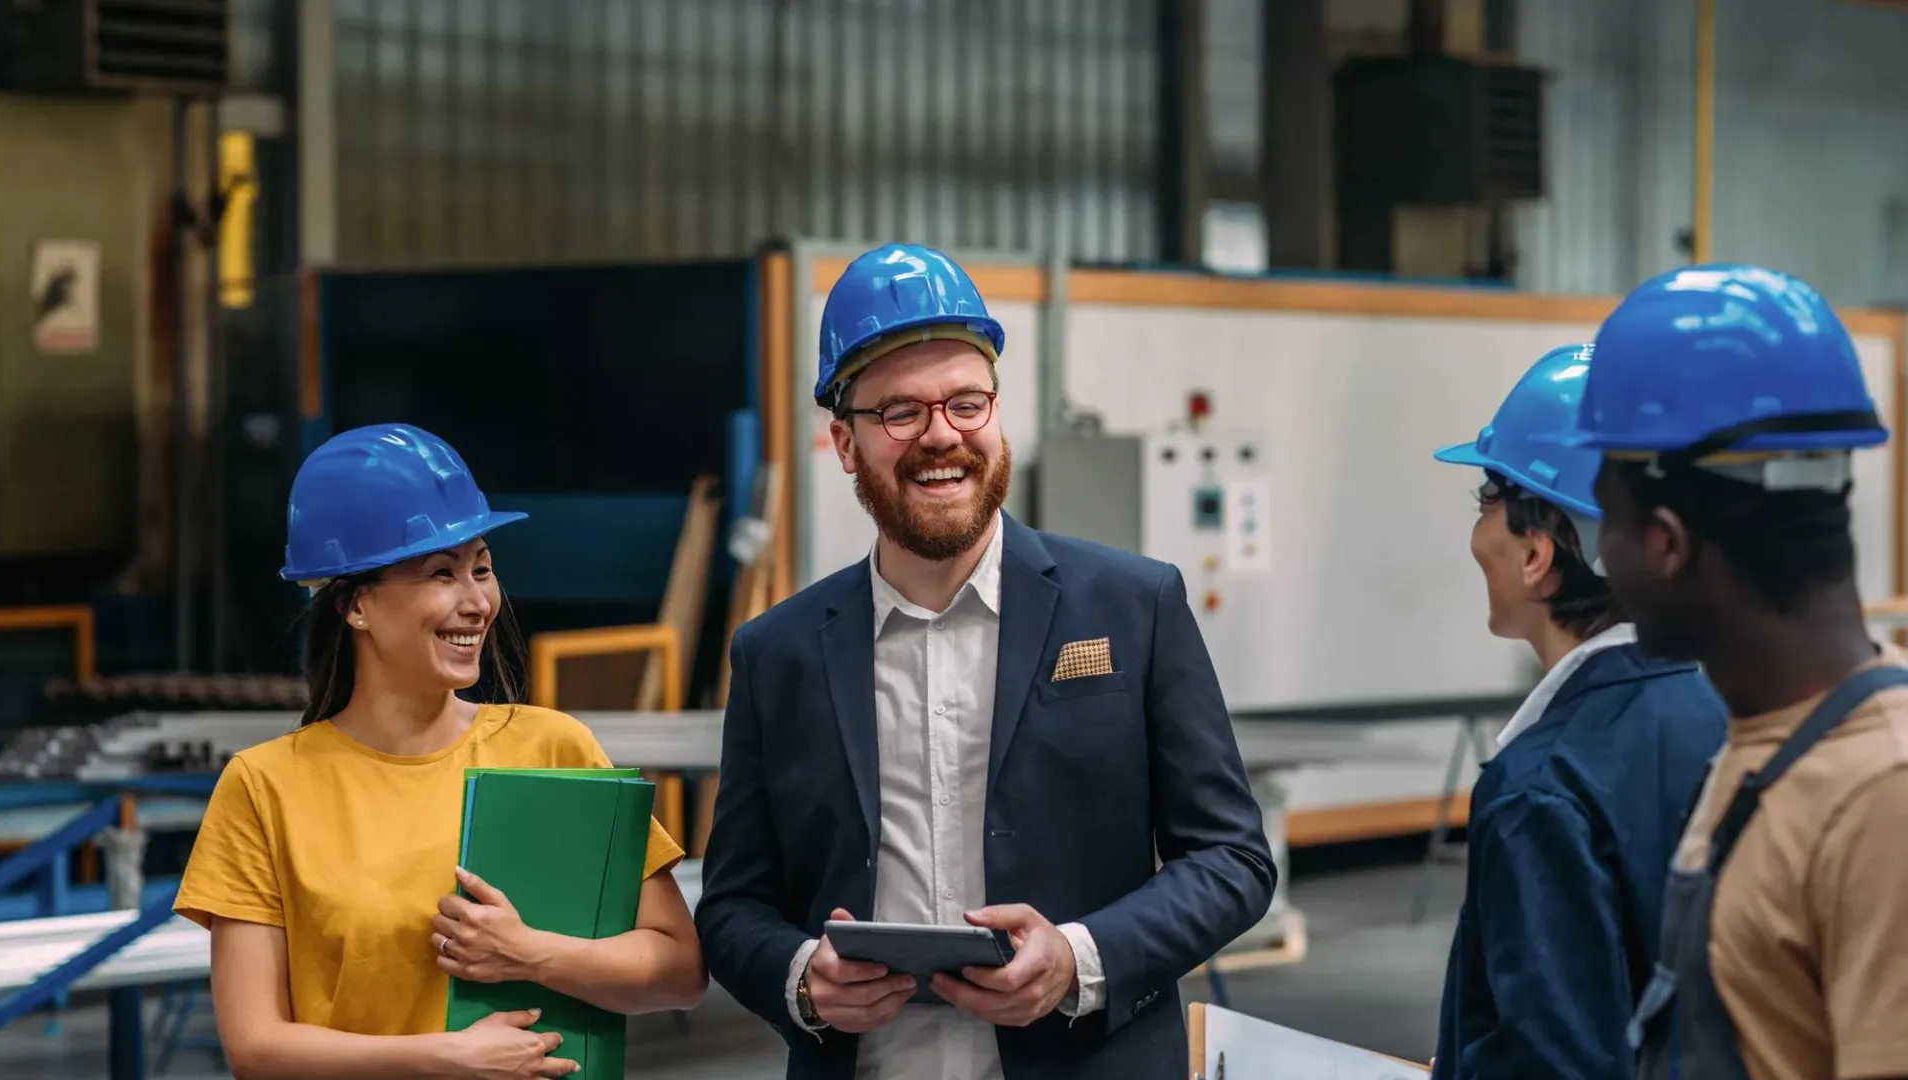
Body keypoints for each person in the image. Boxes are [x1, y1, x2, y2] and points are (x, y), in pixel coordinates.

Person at [695, 242, 1276, 1080]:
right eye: (900, 412)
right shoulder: (776, 654)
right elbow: (736, 905)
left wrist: (1081, 957)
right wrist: (801, 979)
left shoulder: (1132, 607)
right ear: (845, 443)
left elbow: (1232, 859)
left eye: (967, 403)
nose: (942, 436)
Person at [174, 424, 707, 1080]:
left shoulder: (552, 748)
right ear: (357, 604)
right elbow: (256, 1047)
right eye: (440, 573)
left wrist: (529, 954)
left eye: (481, 568)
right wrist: (445, 1058)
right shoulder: (265, 787)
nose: (477, 602)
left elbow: (679, 971)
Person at [1550, 264, 1908, 1080]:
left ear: (1667, 545)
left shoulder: (1882, 795)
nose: (1602, 559)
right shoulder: (1763, 740)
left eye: (1610, 525)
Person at [1426, 344, 1727, 1080]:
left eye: (1488, 498)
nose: (1477, 531)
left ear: (1536, 553)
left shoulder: (1540, 787)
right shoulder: (1723, 719)